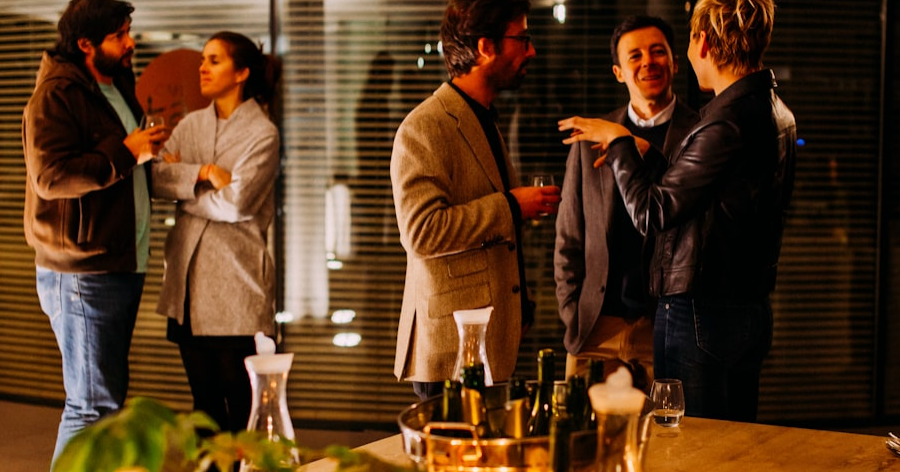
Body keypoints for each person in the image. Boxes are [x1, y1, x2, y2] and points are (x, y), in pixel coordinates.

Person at [558, 0, 796, 422]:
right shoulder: (775, 110)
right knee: (731, 440)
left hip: (700, 312)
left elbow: (652, 213)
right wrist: (650, 156)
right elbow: (715, 202)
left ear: (700, 44)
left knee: (691, 444)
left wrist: (620, 144)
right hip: (742, 307)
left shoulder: (721, 122)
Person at [21, 0, 168, 463]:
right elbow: (51, 177)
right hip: (82, 272)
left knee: (106, 404)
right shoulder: (56, 95)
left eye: (128, 31)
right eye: (119, 35)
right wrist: (126, 152)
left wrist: (146, 153)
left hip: (119, 260)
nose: (130, 42)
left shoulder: (116, 84)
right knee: (90, 407)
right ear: (85, 44)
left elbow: (125, 157)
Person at [391, 0, 561, 400]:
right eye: (522, 38)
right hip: (449, 351)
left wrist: (520, 303)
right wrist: (513, 206)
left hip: (487, 343)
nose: (532, 51)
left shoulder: (484, 117)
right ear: (485, 47)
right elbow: (422, 232)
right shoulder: (425, 126)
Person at [554, 15, 699, 392]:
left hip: (664, 326)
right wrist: (572, 313)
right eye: (635, 56)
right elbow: (569, 237)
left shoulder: (700, 134)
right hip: (594, 328)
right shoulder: (592, 137)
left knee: (666, 430)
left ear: (675, 63)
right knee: (581, 428)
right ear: (618, 72)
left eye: (657, 52)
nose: (648, 62)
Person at [151, 31, 281, 433]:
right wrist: (205, 173)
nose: (202, 68)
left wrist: (184, 186)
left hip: (235, 289)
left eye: (214, 60)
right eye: (202, 60)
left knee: (242, 409)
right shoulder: (191, 124)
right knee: (203, 406)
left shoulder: (263, 133)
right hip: (187, 286)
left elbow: (237, 203)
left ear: (241, 73)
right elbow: (155, 179)